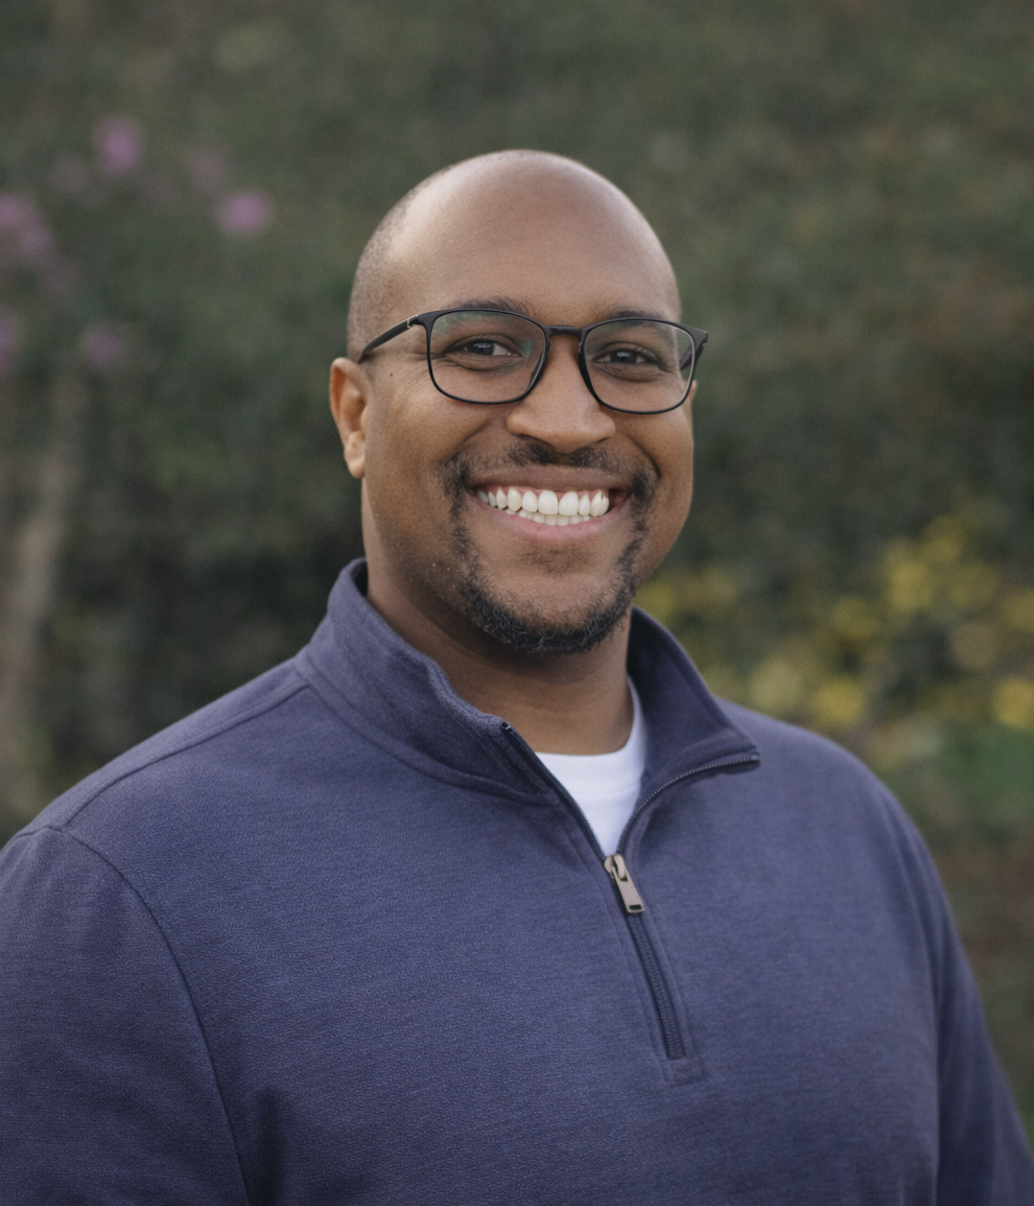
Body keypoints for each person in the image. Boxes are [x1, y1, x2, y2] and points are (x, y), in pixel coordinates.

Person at [0, 151, 1031, 1205]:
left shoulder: (843, 828)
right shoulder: (115, 894)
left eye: (629, 357)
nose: (569, 420)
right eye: (485, 348)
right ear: (355, 415)